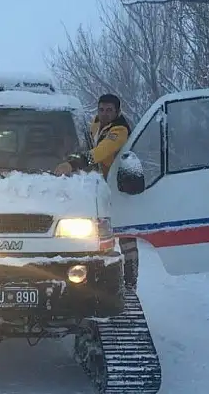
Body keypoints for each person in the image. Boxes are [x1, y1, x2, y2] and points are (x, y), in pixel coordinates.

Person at [53, 93, 139, 292]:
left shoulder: (119, 130)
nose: (105, 114)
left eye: (110, 110)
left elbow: (101, 151)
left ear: (118, 111)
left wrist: (73, 164)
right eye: (102, 109)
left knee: (126, 236)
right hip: (95, 186)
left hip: (117, 188)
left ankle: (130, 282)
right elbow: (82, 146)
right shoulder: (94, 125)